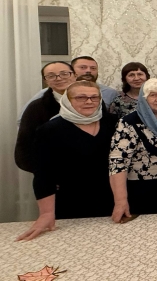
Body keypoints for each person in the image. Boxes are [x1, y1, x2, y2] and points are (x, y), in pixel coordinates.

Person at [16, 81, 116, 241]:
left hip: (112, 199)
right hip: (71, 202)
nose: (89, 101)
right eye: (81, 97)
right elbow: (44, 175)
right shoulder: (50, 130)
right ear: (67, 100)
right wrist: (46, 213)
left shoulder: (113, 123)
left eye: (94, 97)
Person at [109, 78, 157, 221]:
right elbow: (118, 163)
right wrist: (120, 201)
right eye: (153, 95)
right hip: (141, 191)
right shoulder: (129, 122)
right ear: (144, 98)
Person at [17, 56, 117, 124]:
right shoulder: (41, 99)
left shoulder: (104, 95)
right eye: (83, 67)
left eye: (93, 68)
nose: (88, 71)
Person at [15, 61, 76, 172]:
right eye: (51, 76)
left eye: (64, 74)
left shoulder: (92, 102)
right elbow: (24, 146)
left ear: (74, 76)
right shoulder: (36, 107)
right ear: (45, 80)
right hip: (50, 174)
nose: (59, 78)